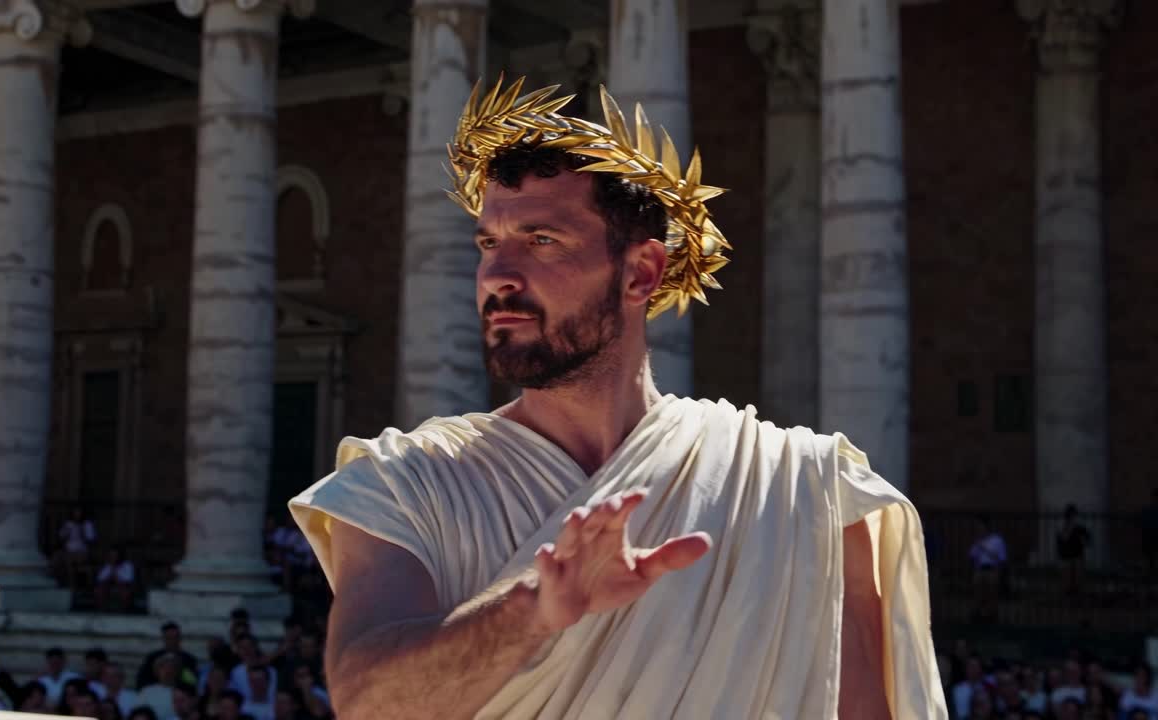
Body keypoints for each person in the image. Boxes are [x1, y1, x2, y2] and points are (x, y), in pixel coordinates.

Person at [288, 77, 945, 718]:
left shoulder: (805, 489)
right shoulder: (400, 485)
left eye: (541, 240)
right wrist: (534, 609)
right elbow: (366, 702)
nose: (497, 275)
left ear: (641, 272)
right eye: (489, 243)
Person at [969, 515, 1008, 622]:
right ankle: (979, 613)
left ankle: (992, 613)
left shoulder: (997, 540)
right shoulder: (977, 541)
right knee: (978, 588)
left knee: (991, 588)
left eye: (980, 526)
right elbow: (972, 556)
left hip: (992, 569)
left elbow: (1001, 558)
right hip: (980, 569)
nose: (978, 529)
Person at [138, 622, 200, 689]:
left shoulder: (189, 660)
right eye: (169, 638)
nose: (173, 641)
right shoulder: (152, 658)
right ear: (163, 638)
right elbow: (142, 681)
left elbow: (193, 682)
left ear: (180, 638)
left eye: (176, 637)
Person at [53, 506, 96, 590]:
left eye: (79, 512)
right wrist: (67, 533)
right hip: (68, 551)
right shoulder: (68, 524)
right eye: (75, 512)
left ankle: (71, 585)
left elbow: (91, 540)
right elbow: (61, 537)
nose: (77, 515)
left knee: (68, 560)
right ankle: (57, 582)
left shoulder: (87, 524)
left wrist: (82, 532)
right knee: (56, 558)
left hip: (81, 552)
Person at [1057, 505, 1091, 595]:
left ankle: (1077, 594)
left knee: (1078, 579)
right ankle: (1068, 594)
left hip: (1077, 557)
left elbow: (1087, 540)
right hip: (1066, 557)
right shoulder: (1062, 527)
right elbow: (1063, 539)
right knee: (1067, 580)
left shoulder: (1080, 528)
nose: (1074, 518)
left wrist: (1084, 540)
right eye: (1072, 516)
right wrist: (1071, 527)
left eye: (1074, 516)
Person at [137, 653, 181, 719]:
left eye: (172, 668)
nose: (168, 671)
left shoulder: (182, 693)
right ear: (157, 671)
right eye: (164, 668)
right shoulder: (146, 692)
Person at [95, 545, 137, 611]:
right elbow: (100, 579)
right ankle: (101, 610)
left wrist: (115, 574)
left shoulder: (127, 565)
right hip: (109, 586)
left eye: (115, 555)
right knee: (99, 589)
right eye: (111, 555)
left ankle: (125, 610)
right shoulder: (107, 565)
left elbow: (129, 579)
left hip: (123, 586)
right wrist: (111, 570)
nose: (113, 557)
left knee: (125, 591)